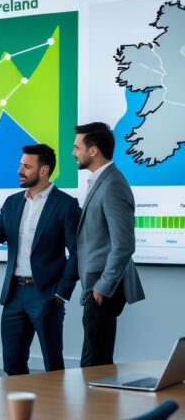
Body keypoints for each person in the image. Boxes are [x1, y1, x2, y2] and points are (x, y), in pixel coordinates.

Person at [0, 144, 80, 375]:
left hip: (46, 295)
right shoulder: (13, 202)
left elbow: (77, 252)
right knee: (12, 363)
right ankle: (20, 409)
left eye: (27, 166)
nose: (20, 170)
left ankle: (55, 410)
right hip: (14, 294)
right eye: (20, 164)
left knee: (53, 365)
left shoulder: (66, 205)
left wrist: (61, 293)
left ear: (44, 170)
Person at [72, 122, 144, 367]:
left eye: (77, 147)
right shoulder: (100, 181)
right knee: (95, 360)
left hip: (103, 285)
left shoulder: (112, 184)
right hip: (96, 283)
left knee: (94, 362)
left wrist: (103, 286)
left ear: (93, 151)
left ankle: (97, 406)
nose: (74, 153)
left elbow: (124, 244)